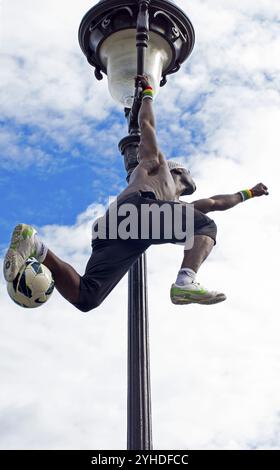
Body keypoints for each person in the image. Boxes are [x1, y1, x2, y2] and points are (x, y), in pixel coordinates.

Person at [3, 75, 269, 311]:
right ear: (178, 171)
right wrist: (148, 95)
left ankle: (35, 244)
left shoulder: (174, 207)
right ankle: (185, 282)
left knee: (87, 298)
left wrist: (249, 193)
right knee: (206, 226)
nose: (192, 177)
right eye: (188, 172)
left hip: (117, 229)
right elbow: (147, 126)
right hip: (137, 210)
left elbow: (215, 202)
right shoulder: (155, 165)